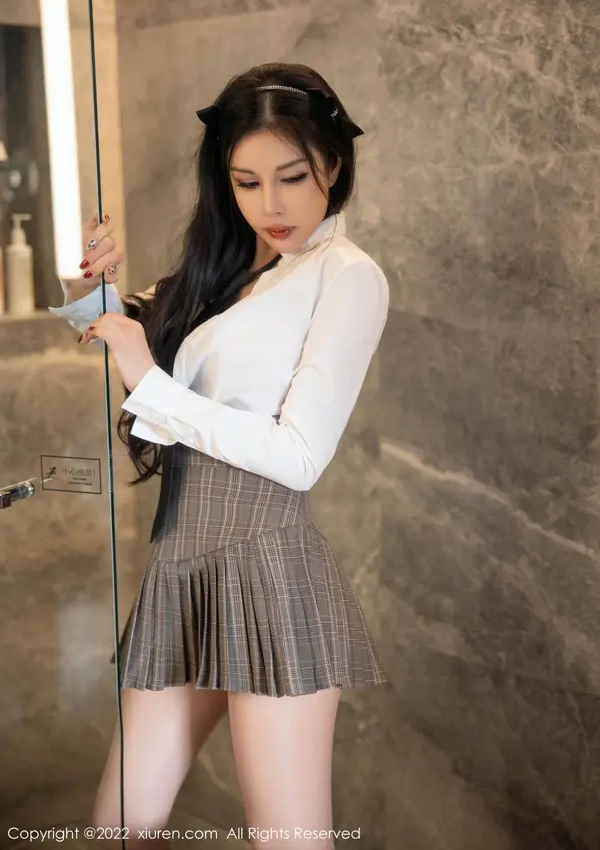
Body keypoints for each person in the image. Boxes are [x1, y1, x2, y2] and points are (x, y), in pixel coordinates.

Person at [49, 62, 389, 850]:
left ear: (334, 164)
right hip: (182, 566)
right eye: (245, 182)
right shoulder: (237, 270)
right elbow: (131, 337)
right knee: (120, 826)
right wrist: (99, 287)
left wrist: (149, 379)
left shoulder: (347, 276)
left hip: (265, 567)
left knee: (287, 841)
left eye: (292, 177)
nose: (271, 205)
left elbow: (299, 455)